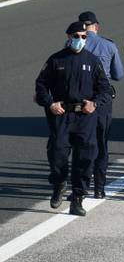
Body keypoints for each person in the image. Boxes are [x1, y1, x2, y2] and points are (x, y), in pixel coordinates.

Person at [35, 22, 113, 216]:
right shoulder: (56, 60)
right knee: (57, 152)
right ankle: (59, 182)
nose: (80, 40)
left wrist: (94, 103)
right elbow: (41, 85)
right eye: (76, 36)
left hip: (85, 116)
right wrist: (50, 103)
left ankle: (78, 199)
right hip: (62, 114)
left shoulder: (93, 61)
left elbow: (105, 89)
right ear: (68, 36)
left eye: (84, 37)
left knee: (85, 158)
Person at [78, 11, 124, 199]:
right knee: (101, 144)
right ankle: (99, 188)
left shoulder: (73, 44)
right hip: (102, 100)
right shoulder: (108, 45)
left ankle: (80, 186)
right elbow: (119, 74)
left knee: (80, 144)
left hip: (80, 100)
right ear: (97, 27)